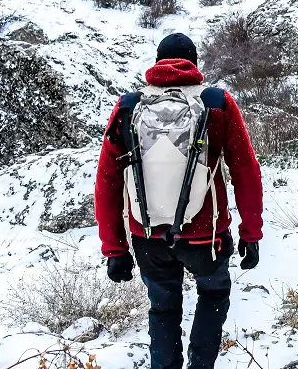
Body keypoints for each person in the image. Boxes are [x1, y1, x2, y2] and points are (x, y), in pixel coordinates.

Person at [95, 33, 263, 369]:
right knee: (213, 295)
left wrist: (115, 249)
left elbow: (107, 181)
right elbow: (246, 171)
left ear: (157, 63)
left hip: (147, 237)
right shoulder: (217, 103)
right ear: (194, 63)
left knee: (163, 308)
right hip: (205, 237)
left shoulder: (129, 106)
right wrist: (251, 233)